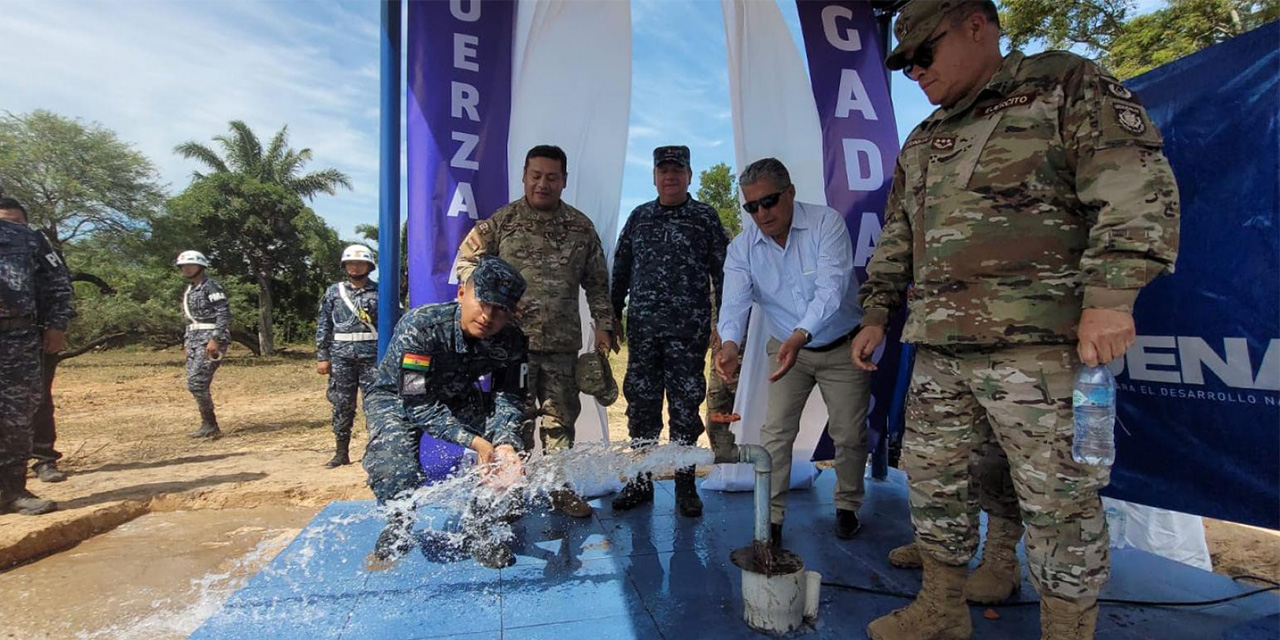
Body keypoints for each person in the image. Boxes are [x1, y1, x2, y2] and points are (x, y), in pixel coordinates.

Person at [852, 2, 1180, 639]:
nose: (915, 71)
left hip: (1039, 347)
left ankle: (1066, 630)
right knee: (935, 483)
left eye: (926, 52)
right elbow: (898, 236)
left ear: (978, 25)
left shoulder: (1063, 85)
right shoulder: (923, 140)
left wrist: (1112, 297)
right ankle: (944, 609)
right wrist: (876, 312)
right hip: (941, 348)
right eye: (905, 62)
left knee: (1059, 503)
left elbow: (1132, 186)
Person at [713, 158, 871, 547]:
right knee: (775, 433)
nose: (761, 214)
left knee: (848, 434)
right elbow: (734, 304)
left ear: (790, 193)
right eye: (751, 207)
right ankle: (772, 519)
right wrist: (730, 345)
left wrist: (801, 334)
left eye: (768, 202)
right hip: (786, 349)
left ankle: (848, 506)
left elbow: (831, 291)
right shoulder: (741, 248)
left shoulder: (825, 223)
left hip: (840, 345)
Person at [455, 144, 616, 518]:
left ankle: (560, 490)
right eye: (536, 175)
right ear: (525, 176)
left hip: (562, 343)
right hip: (512, 345)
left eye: (552, 177)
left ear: (564, 181)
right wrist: (489, 297)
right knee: (515, 422)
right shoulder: (504, 222)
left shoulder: (581, 227)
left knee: (561, 423)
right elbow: (466, 259)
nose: (543, 183)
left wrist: (604, 324)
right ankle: (511, 494)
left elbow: (596, 281)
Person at [363, 255, 529, 569]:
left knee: (506, 458)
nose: (488, 317)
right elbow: (417, 403)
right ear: (462, 294)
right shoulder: (422, 327)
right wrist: (476, 441)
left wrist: (504, 443)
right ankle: (399, 519)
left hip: (457, 393)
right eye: (483, 303)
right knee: (393, 467)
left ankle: (480, 526)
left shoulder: (512, 339)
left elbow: (509, 395)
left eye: (501, 310)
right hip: (397, 399)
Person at [610, 145, 729, 517]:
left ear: (689, 176)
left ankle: (685, 485)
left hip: (688, 334)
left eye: (677, 170)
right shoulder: (640, 217)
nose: (670, 176)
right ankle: (641, 482)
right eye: (663, 170)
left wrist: (722, 325)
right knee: (641, 409)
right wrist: (613, 315)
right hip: (644, 332)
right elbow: (622, 269)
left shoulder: (705, 218)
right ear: (654, 175)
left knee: (684, 410)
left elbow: (724, 274)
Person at [0, 197, 74, 515]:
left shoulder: (26, 237)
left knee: (19, 416)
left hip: (16, 338)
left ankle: (13, 490)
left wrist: (57, 325)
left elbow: (58, 282)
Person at [315, 244, 380, 468]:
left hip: (372, 356)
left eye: (360, 263)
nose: (355, 267)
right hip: (341, 356)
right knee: (342, 404)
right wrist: (322, 356)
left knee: (374, 404)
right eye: (350, 263)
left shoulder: (380, 291)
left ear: (369, 266)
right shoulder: (334, 291)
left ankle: (376, 451)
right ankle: (341, 452)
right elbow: (324, 324)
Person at [175, 250, 231, 440]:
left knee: (197, 381)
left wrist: (215, 338)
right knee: (194, 382)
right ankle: (208, 423)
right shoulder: (190, 290)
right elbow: (189, 320)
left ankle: (210, 424)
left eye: (190, 265)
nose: (187, 269)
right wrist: (187, 343)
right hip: (194, 339)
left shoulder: (211, 286)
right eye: (183, 266)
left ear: (201, 266)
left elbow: (223, 312)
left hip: (210, 339)